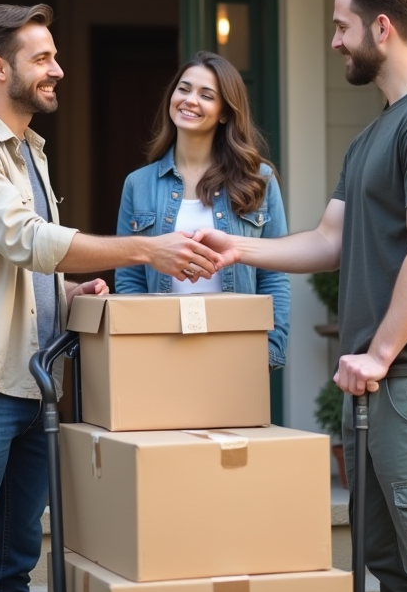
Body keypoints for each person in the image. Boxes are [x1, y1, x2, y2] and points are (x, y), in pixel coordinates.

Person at [200, 0, 407, 592]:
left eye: (342, 27)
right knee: (393, 563)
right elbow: (328, 240)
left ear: (382, 28)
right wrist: (238, 247)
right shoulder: (373, 136)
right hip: (381, 382)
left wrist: (381, 354)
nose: (334, 41)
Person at [0, 3, 223, 592]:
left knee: (14, 559)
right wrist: (145, 248)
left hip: (32, 384)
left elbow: (23, 264)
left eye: (55, 55)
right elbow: (25, 239)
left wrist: (66, 294)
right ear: (0, 68)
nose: (59, 68)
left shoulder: (31, 149)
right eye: (43, 58)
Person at [114, 51, 290, 367]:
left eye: (206, 95)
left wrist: (269, 350)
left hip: (237, 348)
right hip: (160, 351)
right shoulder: (137, 184)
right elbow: (129, 277)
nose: (190, 100)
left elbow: (275, 274)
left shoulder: (259, 181)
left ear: (225, 112)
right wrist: (137, 346)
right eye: (184, 89)